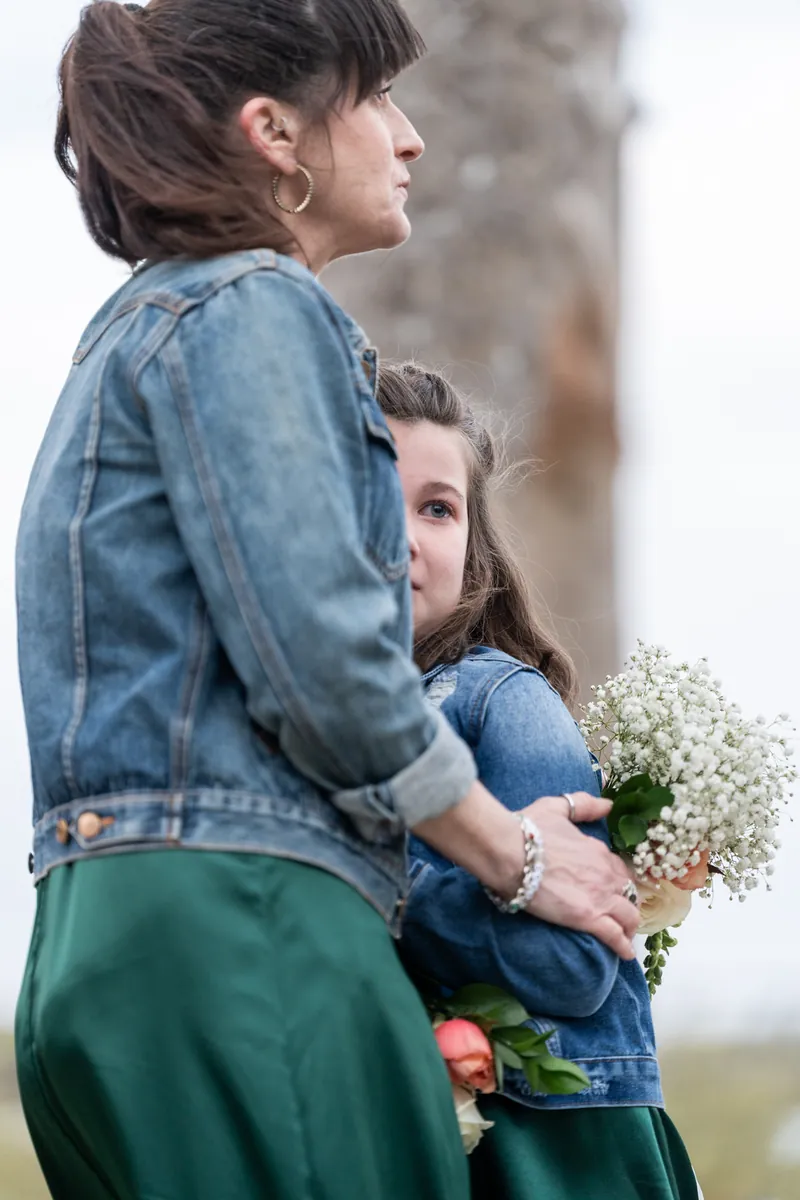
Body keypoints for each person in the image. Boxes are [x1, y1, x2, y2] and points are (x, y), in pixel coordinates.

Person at [14, 3, 638, 1198]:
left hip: (109, 931)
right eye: (377, 100)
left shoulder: (125, 340)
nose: (409, 139)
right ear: (274, 135)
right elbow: (324, 663)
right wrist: (517, 858)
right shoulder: (253, 306)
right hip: (247, 933)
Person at [378, 362, 700, 1200]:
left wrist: (378, 883)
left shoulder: (497, 700)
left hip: (555, 1150)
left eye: (437, 508)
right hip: (416, 1132)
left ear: (474, 547)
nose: (405, 534)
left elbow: (571, 967)